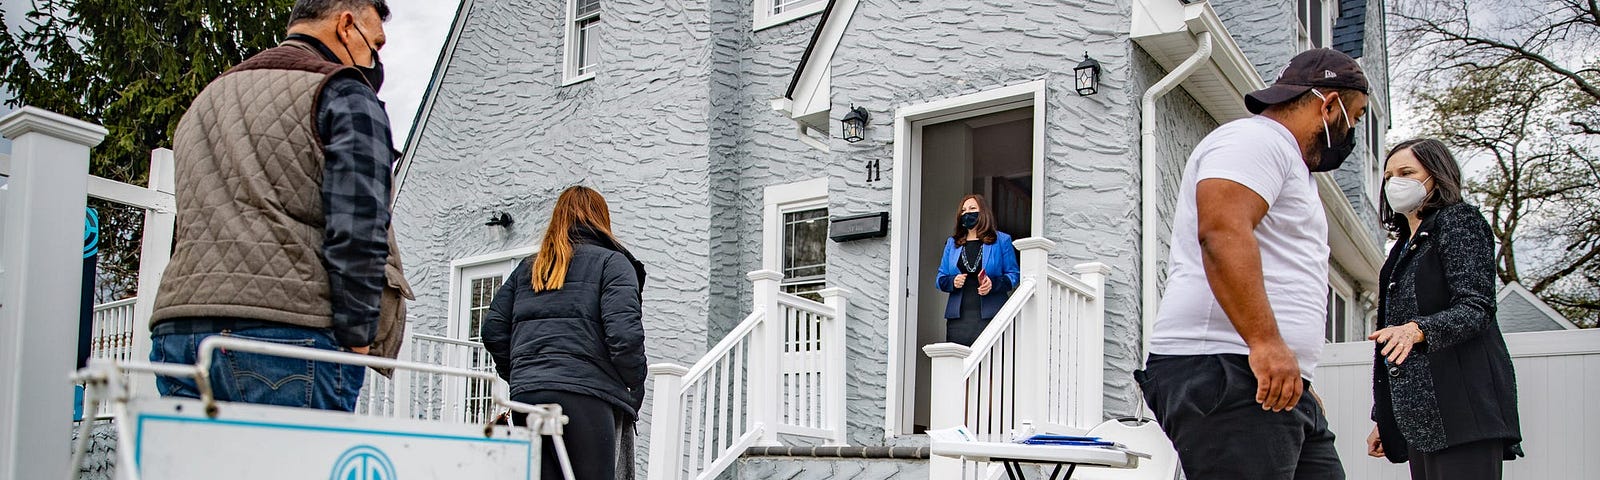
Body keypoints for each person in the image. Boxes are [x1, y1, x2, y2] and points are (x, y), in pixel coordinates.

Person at [149, 0, 412, 412]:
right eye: (374, 44)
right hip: (289, 333)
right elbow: (360, 227)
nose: (375, 59)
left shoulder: (207, 99)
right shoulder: (342, 91)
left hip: (179, 332)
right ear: (346, 25)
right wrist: (359, 339)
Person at [1136, 48, 1370, 479]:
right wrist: (1265, 343)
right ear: (1329, 104)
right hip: (1229, 369)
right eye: (1354, 116)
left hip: (1271, 379)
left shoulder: (1285, 161)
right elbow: (1222, 231)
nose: (1350, 130)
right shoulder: (1254, 139)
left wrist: (1296, 370)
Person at [1364, 139, 1523, 480]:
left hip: (1461, 410)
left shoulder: (1458, 221)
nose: (1395, 183)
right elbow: (1392, 344)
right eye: (1389, 176)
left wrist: (1417, 330)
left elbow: (1476, 307)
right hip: (1423, 420)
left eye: (1407, 172)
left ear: (1436, 176)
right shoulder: (1402, 249)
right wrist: (1386, 417)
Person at [482, 186, 648, 480]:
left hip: (527, 396)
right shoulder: (612, 263)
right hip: (586, 394)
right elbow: (624, 336)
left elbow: (493, 329)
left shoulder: (529, 269)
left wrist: (524, 373)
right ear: (601, 219)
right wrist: (633, 387)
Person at [934, 194, 1022, 347]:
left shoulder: (1002, 240)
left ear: (983, 212)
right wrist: (952, 281)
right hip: (958, 318)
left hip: (992, 316)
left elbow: (1014, 276)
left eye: (972, 208)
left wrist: (992, 283)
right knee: (960, 365)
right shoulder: (952, 243)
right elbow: (940, 279)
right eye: (963, 210)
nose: (967, 213)